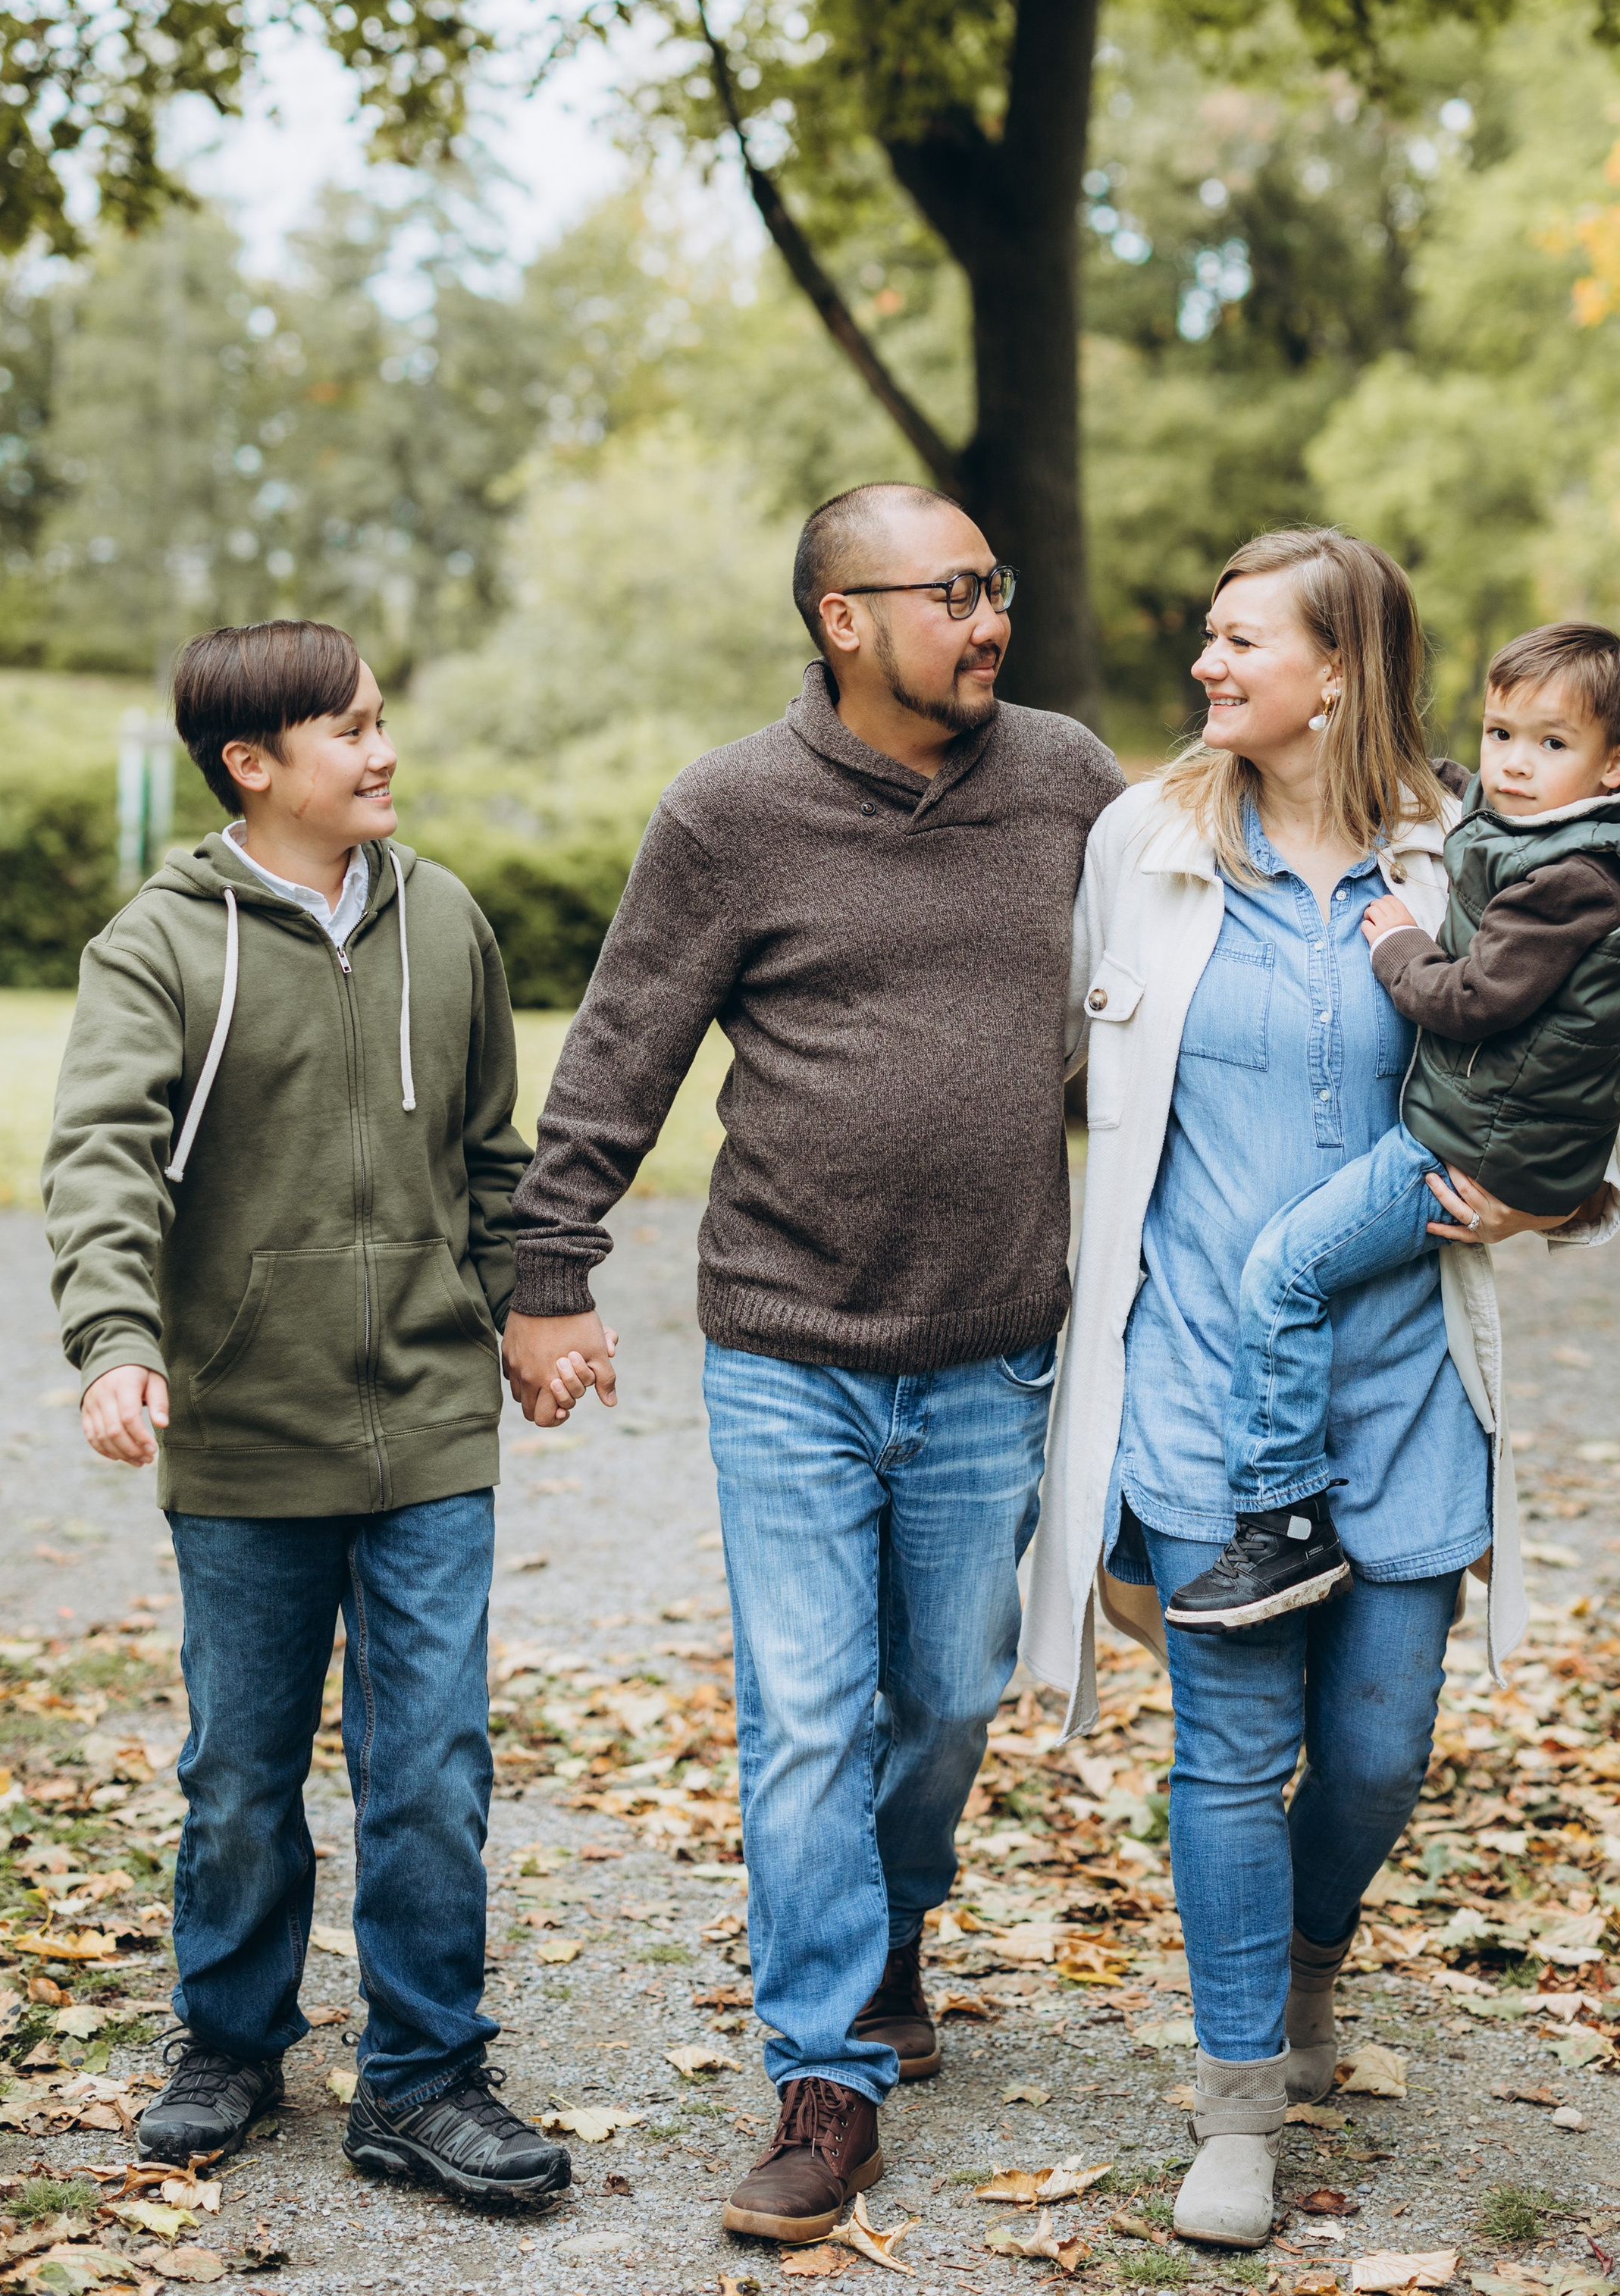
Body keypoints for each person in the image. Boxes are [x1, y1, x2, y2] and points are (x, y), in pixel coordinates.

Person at [505, 481, 1124, 2249]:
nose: (987, 618)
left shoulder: (1067, 779)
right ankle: (826, 2075)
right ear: (840, 618)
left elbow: (1191, 963)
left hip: (993, 1340)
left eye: (992, 585)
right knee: (802, 1718)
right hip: (787, 1341)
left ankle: (889, 1922)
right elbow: (624, 1046)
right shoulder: (729, 812)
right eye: (949, 593)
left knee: (940, 1701)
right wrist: (549, 1270)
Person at [1022, 528, 1620, 2252]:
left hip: (1404, 1379)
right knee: (1224, 1752)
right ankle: (1233, 2106)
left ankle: (1303, 1959)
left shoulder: (1472, 856)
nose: (1205, 668)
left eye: (1236, 642)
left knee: (1372, 1750)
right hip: (1202, 1379)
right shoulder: (1139, 844)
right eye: (1206, 640)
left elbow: (1580, 1075)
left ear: (1337, 672)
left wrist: (1556, 1189)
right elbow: (1056, 1066)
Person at [42, 621, 570, 2213]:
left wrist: (526, 1311)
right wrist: (117, 1339)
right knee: (241, 1771)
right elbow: (101, 1160)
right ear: (252, 766)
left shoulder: (447, 922)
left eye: (380, 718)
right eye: (346, 731)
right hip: (246, 1429)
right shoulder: (159, 945)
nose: (382, 750)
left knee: (430, 1765)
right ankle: (229, 2038)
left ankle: (422, 2076)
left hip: (425, 1424)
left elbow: (494, 1152)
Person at [1171, 619, 1620, 1630]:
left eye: (1550, 746)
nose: (1513, 766)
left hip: (1473, 1142)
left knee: (1283, 1271)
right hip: (1495, 1125)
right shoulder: (1565, 831)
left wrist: (1397, 945)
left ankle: (1283, 1526)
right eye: (1501, 736)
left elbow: (1474, 1001)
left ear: (1615, 762)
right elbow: (1482, 831)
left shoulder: (1580, 877)